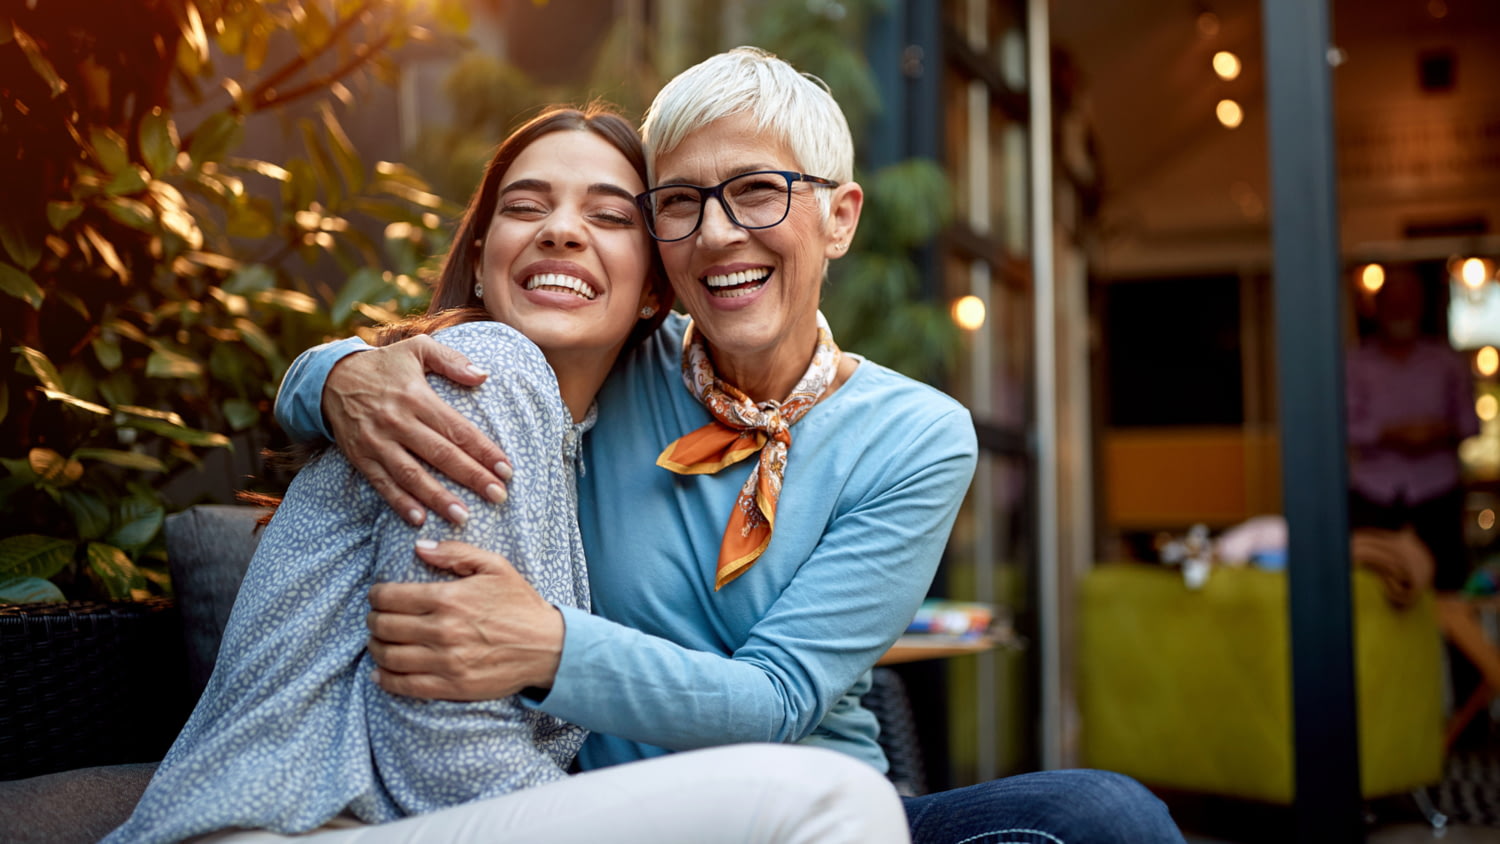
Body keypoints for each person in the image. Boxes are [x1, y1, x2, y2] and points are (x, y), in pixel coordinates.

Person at [278, 48, 1186, 843]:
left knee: (1104, 816)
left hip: (822, 797)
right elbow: (481, 339)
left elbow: (783, 699)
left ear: (840, 216)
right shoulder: (610, 364)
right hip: (616, 810)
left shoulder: (917, 436)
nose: (717, 235)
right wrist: (332, 376)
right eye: (678, 203)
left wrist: (550, 647)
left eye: (757, 190)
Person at [107, 104, 910, 844]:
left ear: (655, 292)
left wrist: (324, 372)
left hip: (377, 819)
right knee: (837, 801)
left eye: (608, 215)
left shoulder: (576, 431)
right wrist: (332, 372)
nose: (561, 231)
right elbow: (443, 750)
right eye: (525, 207)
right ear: (483, 260)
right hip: (289, 824)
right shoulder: (489, 369)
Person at [1346, 264, 1480, 593]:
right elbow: (1343, 428)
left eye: (1408, 302)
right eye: (1393, 302)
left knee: (1446, 587)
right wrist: (1391, 434)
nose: (1400, 310)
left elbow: (1470, 424)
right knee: (1370, 586)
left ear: (1420, 306)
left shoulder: (1446, 363)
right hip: (1374, 492)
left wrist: (1436, 432)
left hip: (1437, 491)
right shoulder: (1355, 364)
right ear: (1378, 308)